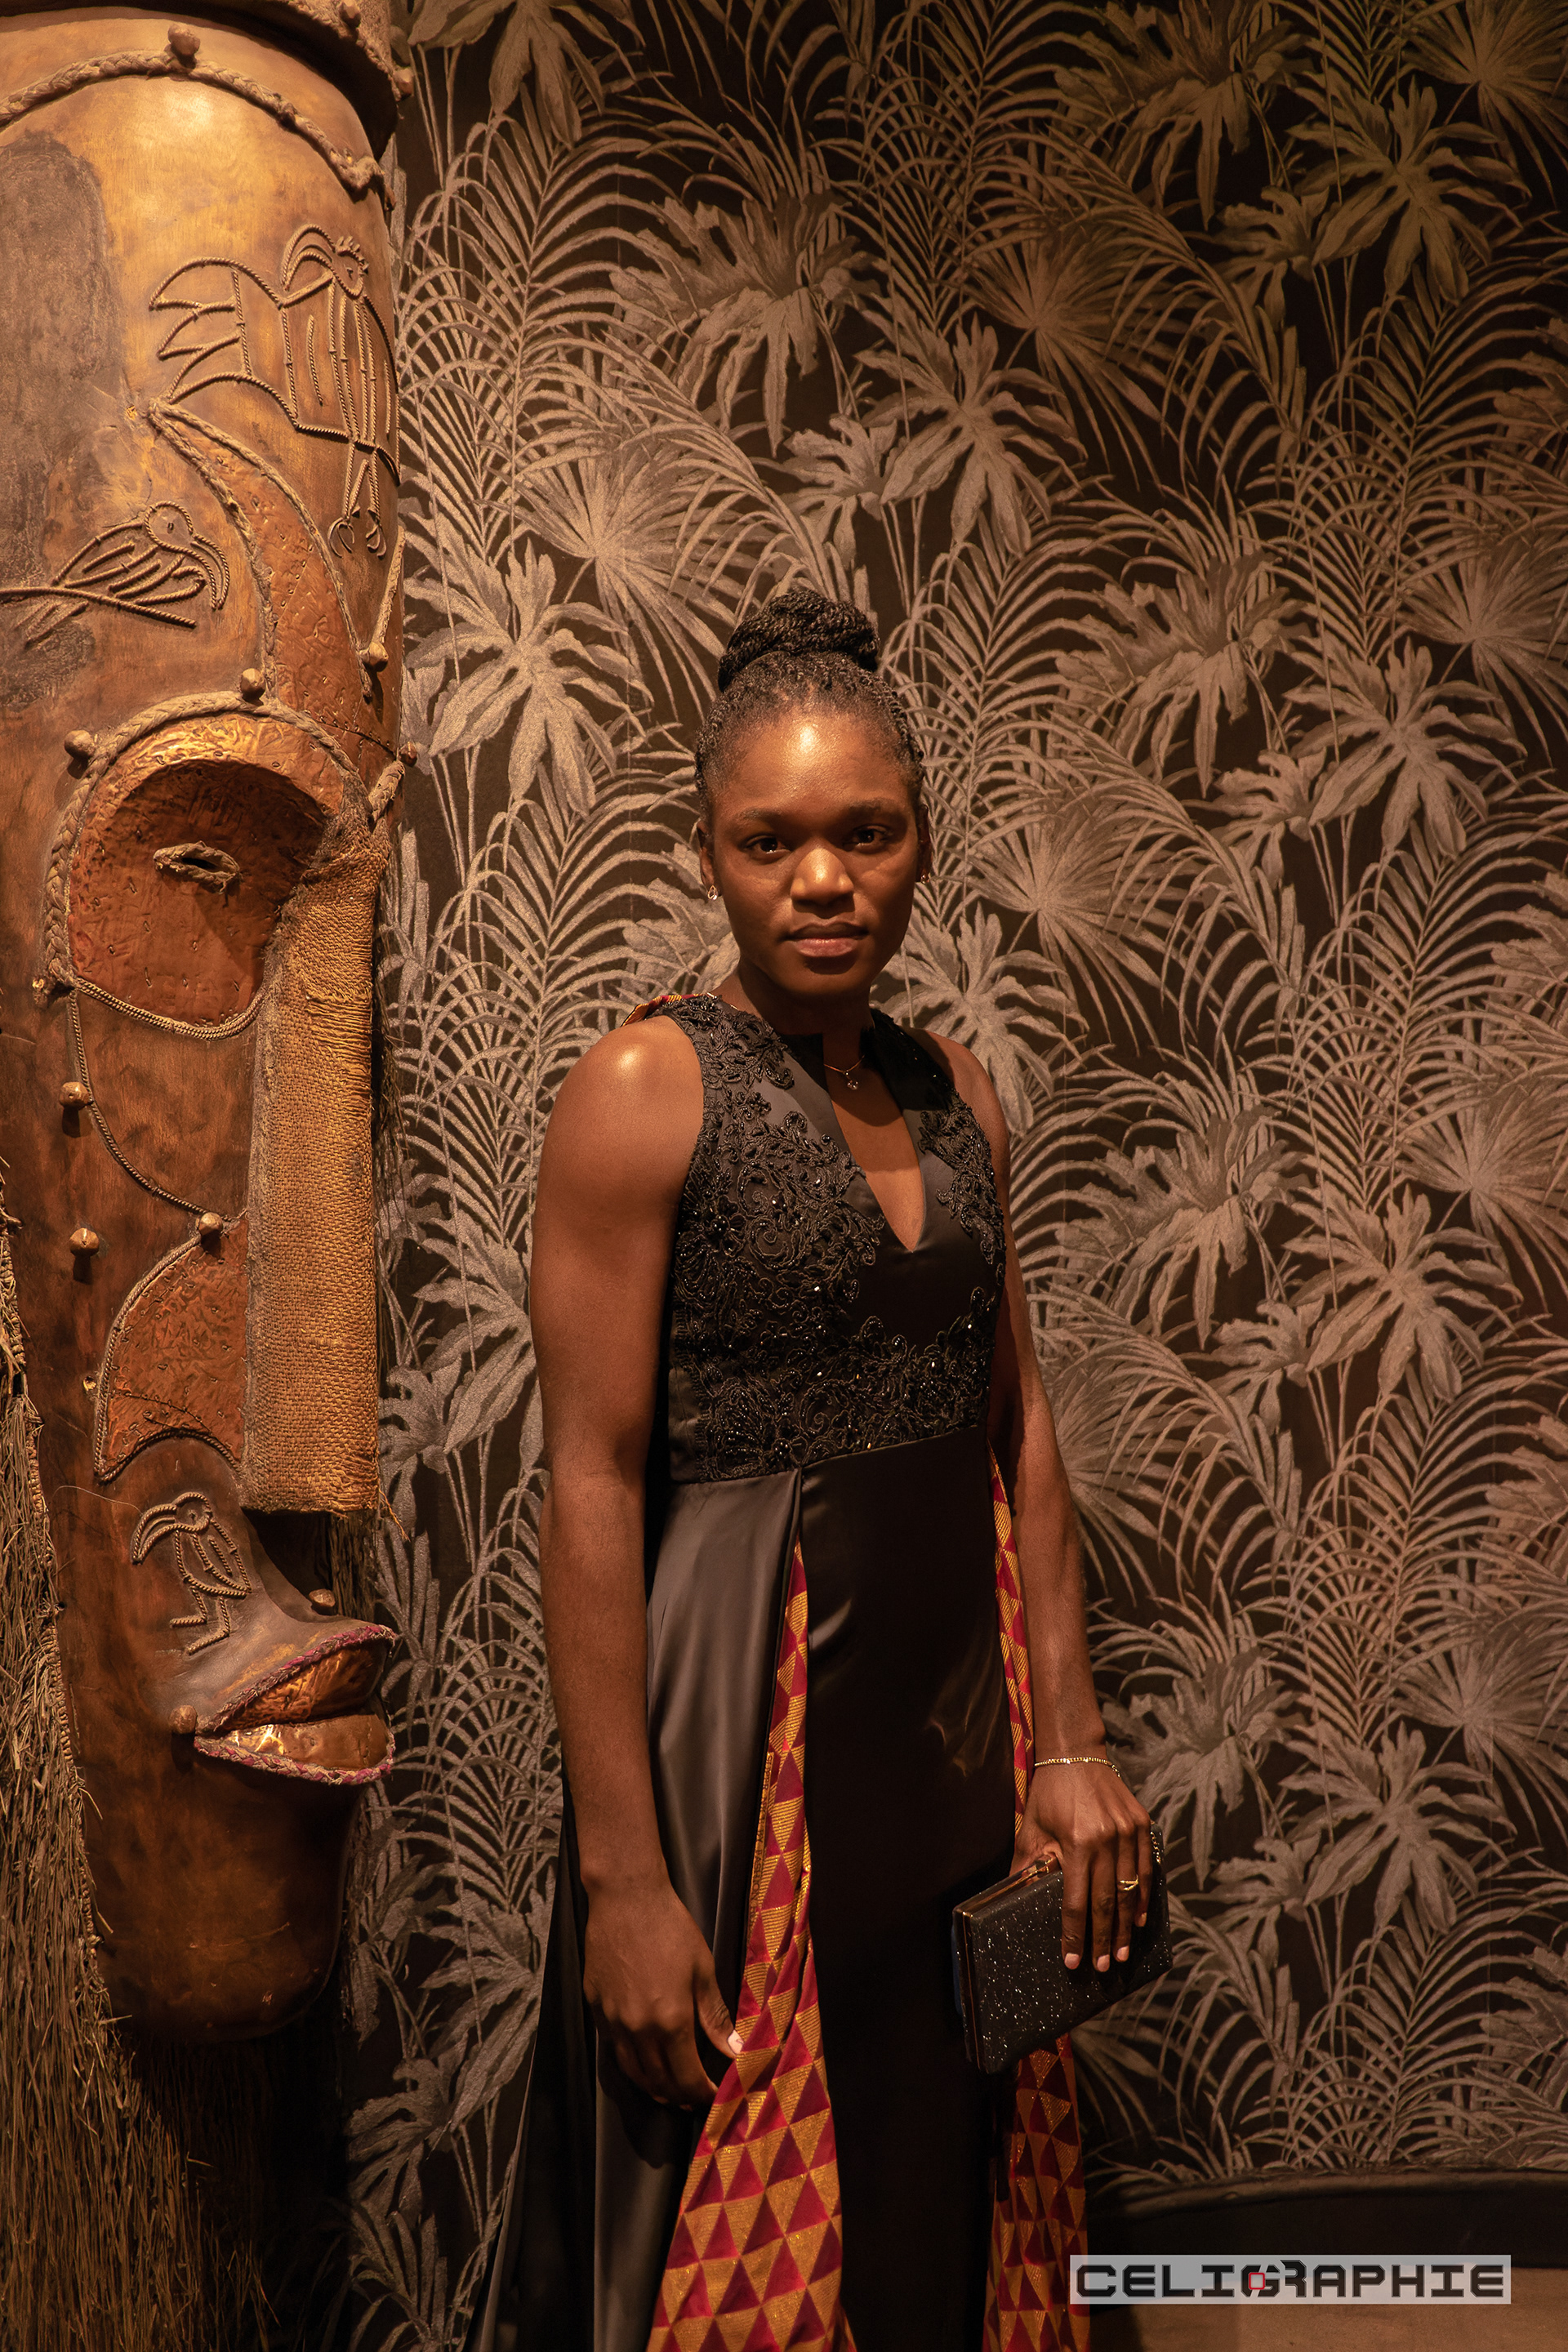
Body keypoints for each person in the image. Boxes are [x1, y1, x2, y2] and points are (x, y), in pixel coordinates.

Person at [506, 586, 1151, 2352]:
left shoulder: (961, 1094)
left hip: (953, 1734)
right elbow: (587, 1484)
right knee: (747, 2195)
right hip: (751, 1747)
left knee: (942, 2153)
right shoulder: (644, 1087)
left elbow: (1019, 1423)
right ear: (707, 848)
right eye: (769, 840)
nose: (821, 880)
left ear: (921, 840)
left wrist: (1072, 1746)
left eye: (866, 833)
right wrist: (625, 1883)